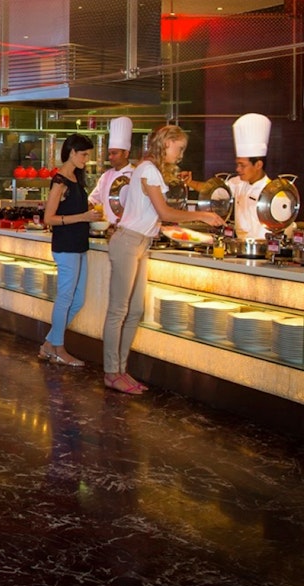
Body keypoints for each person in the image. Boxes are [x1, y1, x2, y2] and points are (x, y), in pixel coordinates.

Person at [102, 125, 225, 394]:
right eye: (178, 148)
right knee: (118, 311)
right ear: (167, 143)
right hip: (128, 241)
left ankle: (121, 370)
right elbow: (164, 212)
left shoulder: (152, 170)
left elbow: (158, 215)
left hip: (141, 243)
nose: (180, 154)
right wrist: (202, 216)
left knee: (134, 311)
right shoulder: (148, 170)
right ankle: (111, 372)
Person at [40, 134, 103, 366]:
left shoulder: (76, 179)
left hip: (78, 244)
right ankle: (58, 348)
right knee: (66, 298)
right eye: (84, 154)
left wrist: (88, 213)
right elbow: (49, 218)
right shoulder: (60, 181)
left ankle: (49, 344)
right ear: (72, 152)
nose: (87, 159)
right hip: (65, 245)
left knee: (77, 300)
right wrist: (83, 216)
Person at [226, 113, 273, 241]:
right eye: (237, 164)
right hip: (240, 245)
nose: (237, 169)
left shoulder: (273, 193)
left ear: (258, 164)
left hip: (261, 248)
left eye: (242, 165)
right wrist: (190, 182)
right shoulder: (239, 183)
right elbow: (215, 190)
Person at [88, 116, 135, 228]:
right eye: (109, 153)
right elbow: (93, 200)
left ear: (126, 154)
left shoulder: (136, 175)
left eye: (114, 153)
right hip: (106, 228)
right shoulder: (106, 176)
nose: (110, 157)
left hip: (128, 230)